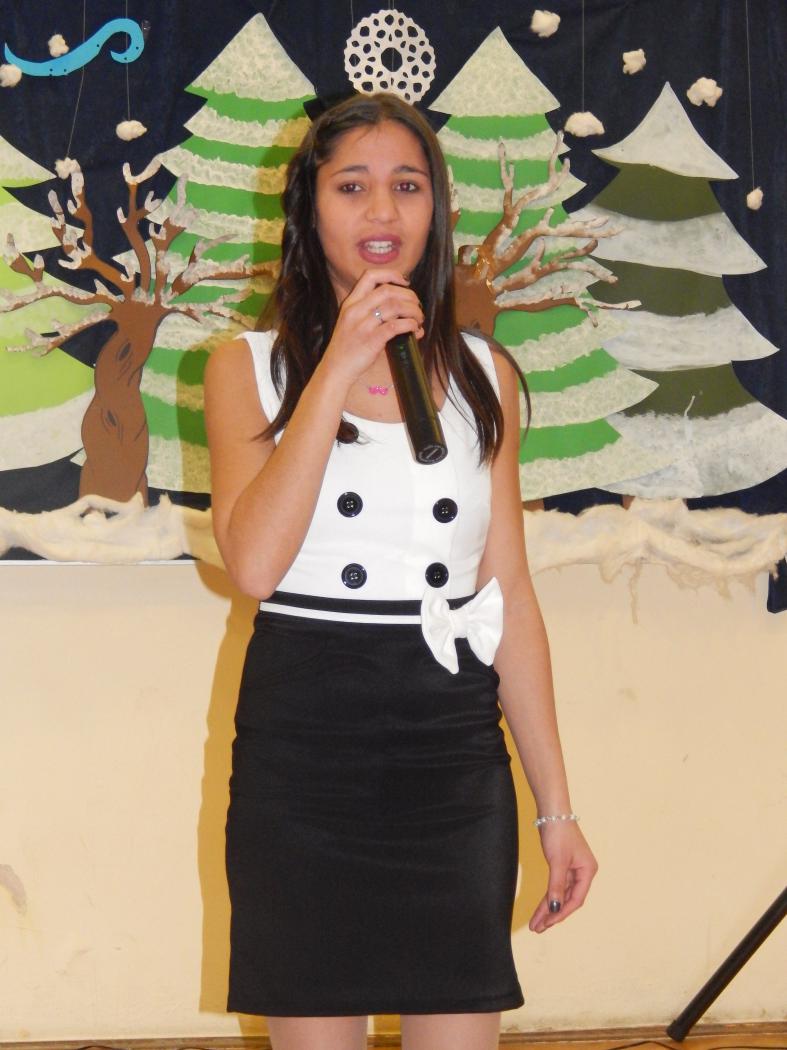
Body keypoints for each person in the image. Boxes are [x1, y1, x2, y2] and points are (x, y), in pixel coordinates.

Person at [204, 91, 597, 1050]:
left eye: (407, 186)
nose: (382, 211)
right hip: (305, 745)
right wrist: (335, 366)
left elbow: (509, 600)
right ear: (308, 210)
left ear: (436, 209)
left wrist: (556, 810)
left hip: (448, 753)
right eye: (351, 187)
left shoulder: (484, 376)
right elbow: (253, 564)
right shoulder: (244, 368)